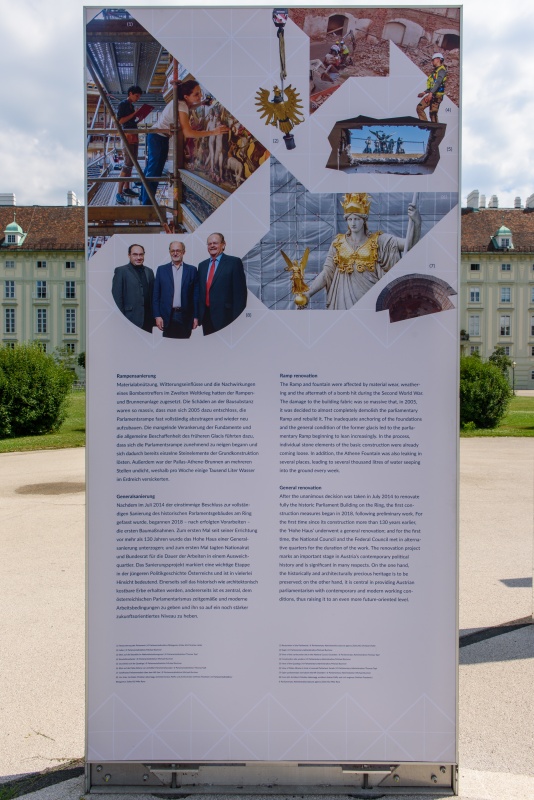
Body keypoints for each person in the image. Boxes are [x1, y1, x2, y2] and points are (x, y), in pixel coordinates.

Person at [303, 193, 421, 310]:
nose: (353, 223)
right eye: (350, 219)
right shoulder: (337, 243)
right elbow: (326, 273)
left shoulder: (379, 240)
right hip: (342, 302)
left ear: (364, 220)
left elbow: (409, 245)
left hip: (369, 300)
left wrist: (417, 223)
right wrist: (309, 293)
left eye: (357, 218)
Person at [140, 81, 229, 205]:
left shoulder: (181, 103)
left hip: (156, 136)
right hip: (158, 138)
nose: (199, 96)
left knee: (151, 169)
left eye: (200, 93)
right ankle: (147, 204)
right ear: (186, 96)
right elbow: (188, 133)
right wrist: (214, 132)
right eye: (196, 94)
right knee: (154, 171)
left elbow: (188, 107)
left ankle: (143, 199)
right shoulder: (181, 105)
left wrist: (201, 103)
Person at [197, 232, 247, 335]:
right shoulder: (202, 266)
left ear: (223, 245)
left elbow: (240, 296)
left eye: (215, 243)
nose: (212, 246)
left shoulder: (234, 263)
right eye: (209, 244)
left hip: (226, 318)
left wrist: (236, 321)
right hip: (206, 318)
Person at [153, 241, 199, 339]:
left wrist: (196, 316)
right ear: (169, 252)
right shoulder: (161, 270)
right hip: (166, 316)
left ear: (183, 252)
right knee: (168, 347)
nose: (175, 253)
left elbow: (195, 296)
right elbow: (156, 295)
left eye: (178, 250)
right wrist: (157, 316)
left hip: (185, 316)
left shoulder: (192, 270)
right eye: (172, 251)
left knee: (185, 347)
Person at [111, 244, 154, 332]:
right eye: (135, 254)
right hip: (130, 320)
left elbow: (153, 296)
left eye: (141, 254)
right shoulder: (121, 271)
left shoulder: (149, 271)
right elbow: (117, 298)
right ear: (129, 255)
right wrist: (122, 320)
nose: (138, 257)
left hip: (148, 321)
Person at [116, 85, 143, 205]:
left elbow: (130, 120)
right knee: (127, 164)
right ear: (130, 93)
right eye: (136, 95)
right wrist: (134, 114)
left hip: (133, 135)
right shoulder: (123, 104)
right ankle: (119, 192)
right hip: (127, 136)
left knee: (131, 163)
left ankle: (126, 188)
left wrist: (138, 115)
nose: (138, 98)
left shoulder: (131, 105)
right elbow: (121, 121)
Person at [417, 53, 447, 123]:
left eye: (433, 60)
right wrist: (424, 92)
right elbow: (432, 85)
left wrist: (430, 94)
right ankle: (425, 126)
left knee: (433, 114)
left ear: (438, 59)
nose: (432, 62)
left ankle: (436, 132)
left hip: (437, 96)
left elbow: (438, 83)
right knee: (419, 108)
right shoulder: (435, 72)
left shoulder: (442, 70)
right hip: (432, 94)